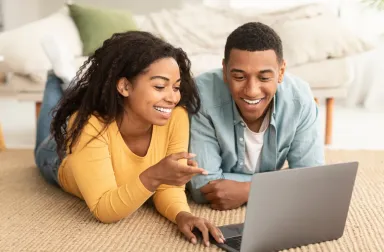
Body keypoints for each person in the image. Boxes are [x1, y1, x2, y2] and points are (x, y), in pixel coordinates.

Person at [34, 31, 224, 247]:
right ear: (124, 86)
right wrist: (155, 175)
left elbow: (167, 186)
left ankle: (68, 81)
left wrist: (183, 215)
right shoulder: (89, 124)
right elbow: (104, 209)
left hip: (93, 136)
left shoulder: (175, 117)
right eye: (160, 86)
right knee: (54, 122)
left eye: (176, 87)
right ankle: (56, 76)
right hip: (57, 157)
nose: (172, 98)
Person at [188, 22, 325, 210]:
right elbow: (203, 187)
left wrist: (249, 190)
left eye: (264, 78)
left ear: (281, 72)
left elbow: (312, 180)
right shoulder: (202, 94)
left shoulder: (299, 98)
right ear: (225, 71)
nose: (251, 91)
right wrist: (286, 184)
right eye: (239, 77)